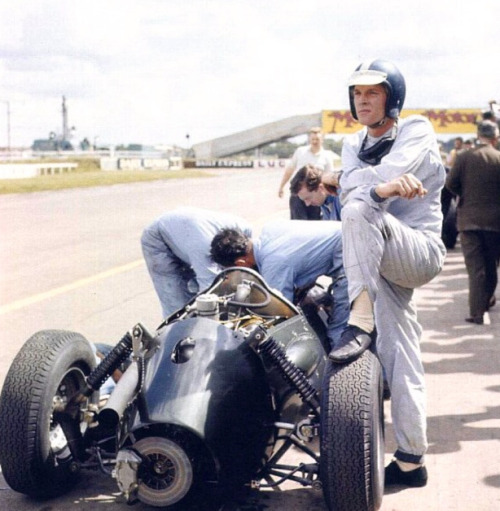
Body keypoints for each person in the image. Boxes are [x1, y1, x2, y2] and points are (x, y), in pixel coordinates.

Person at [323, 59, 446, 488]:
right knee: (401, 353)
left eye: (373, 92)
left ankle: (359, 318)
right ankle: (413, 460)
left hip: (419, 250)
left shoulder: (417, 128)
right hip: (381, 252)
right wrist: (373, 188)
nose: (363, 100)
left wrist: (369, 187)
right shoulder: (352, 144)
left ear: (392, 96)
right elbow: (349, 187)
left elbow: (382, 179)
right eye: (357, 94)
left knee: (358, 207)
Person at [210, 219, 349, 343]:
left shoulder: (273, 264)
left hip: (350, 249)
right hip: (347, 231)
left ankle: (347, 369)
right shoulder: (269, 228)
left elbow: (282, 313)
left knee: (338, 332)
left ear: (241, 263)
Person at [141, 207, 252, 318]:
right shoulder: (203, 249)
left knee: (220, 284)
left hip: (188, 231)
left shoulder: (245, 231)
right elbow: (209, 288)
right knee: (177, 302)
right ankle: (176, 330)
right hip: (159, 237)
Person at [445, 119, 500, 324]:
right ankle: (487, 299)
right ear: (496, 138)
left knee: (476, 267)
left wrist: (465, 196)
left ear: (478, 135)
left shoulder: (464, 157)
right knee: (491, 264)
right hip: (496, 222)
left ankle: (478, 312)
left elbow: (451, 184)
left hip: (468, 219)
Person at [277, 127, 338, 220]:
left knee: (314, 224)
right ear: (309, 139)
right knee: (298, 224)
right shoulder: (300, 151)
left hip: (314, 194)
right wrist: (281, 186)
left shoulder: (327, 156)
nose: (314, 141)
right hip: (298, 195)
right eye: (312, 139)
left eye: (317, 139)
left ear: (322, 139)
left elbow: (330, 176)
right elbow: (289, 170)